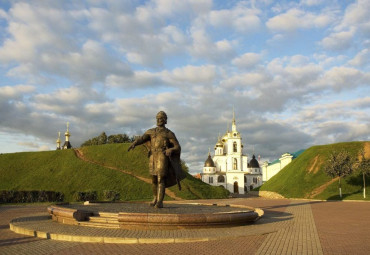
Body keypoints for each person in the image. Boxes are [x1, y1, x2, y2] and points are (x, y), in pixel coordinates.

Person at [128, 111, 185, 208]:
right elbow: (142, 139)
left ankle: (160, 201)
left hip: (162, 156)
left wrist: (171, 149)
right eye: (157, 118)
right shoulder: (151, 131)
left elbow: (177, 147)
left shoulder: (169, 133)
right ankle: (155, 198)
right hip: (152, 156)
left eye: (161, 118)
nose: (159, 120)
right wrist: (134, 143)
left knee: (160, 178)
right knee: (153, 179)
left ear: (165, 120)